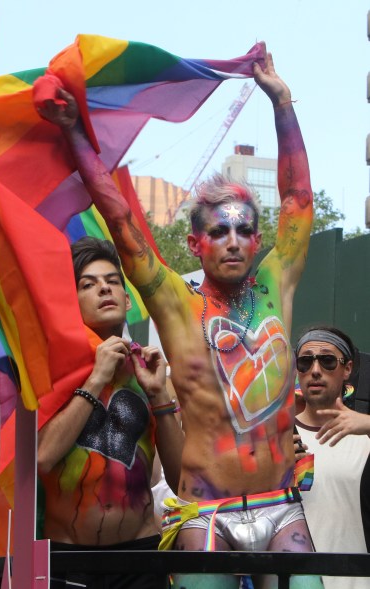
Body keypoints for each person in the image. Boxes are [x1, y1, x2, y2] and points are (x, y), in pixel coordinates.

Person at [37, 44, 321, 588]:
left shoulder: (277, 278)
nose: (233, 242)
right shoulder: (174, 300)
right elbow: (120, 222)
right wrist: (75, 132)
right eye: (218, 231)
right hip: (206, 513)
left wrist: (282, 105)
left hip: (282, 504)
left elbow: (298, 199)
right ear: (195, 243)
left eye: (243, 230)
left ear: (259, 239)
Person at [37, 237, 183, 589]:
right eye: (89, 284)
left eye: (112, 281)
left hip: (140, 559)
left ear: (128, 299)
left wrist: (160, 396)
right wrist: (96, 377)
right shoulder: (50, 372)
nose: (104, 288)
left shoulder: (150, 371)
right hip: (67, 562)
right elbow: (41, 458)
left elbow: (180, 482)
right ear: (72, 305)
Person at [295, 326, 370, 589]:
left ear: (347, 369)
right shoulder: (279, 439)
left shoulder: (365, 436)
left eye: (327, 360)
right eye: (305, 361)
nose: (315, 370)